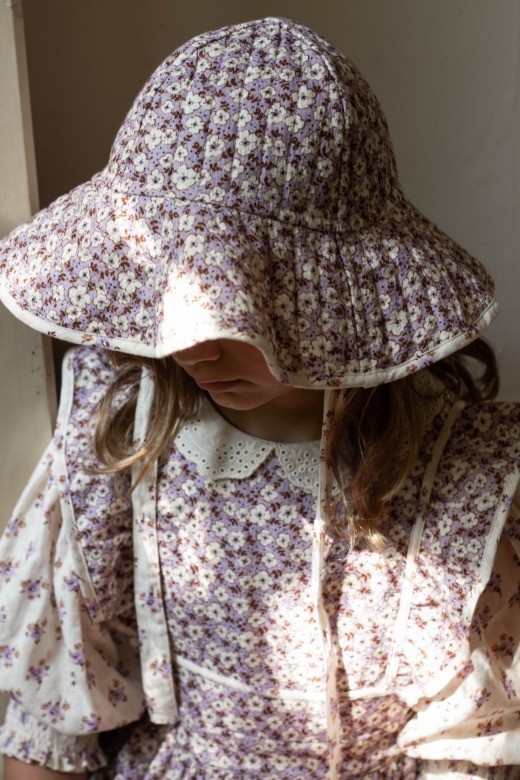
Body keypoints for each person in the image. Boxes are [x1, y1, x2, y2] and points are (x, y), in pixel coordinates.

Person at [0, 15, 518, 780]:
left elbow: (472, 743)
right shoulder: (121, 430)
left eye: (243, 311)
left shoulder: (455, 479)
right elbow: (48, 713)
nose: (194, 347)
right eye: (173, 297)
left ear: (335, 298)